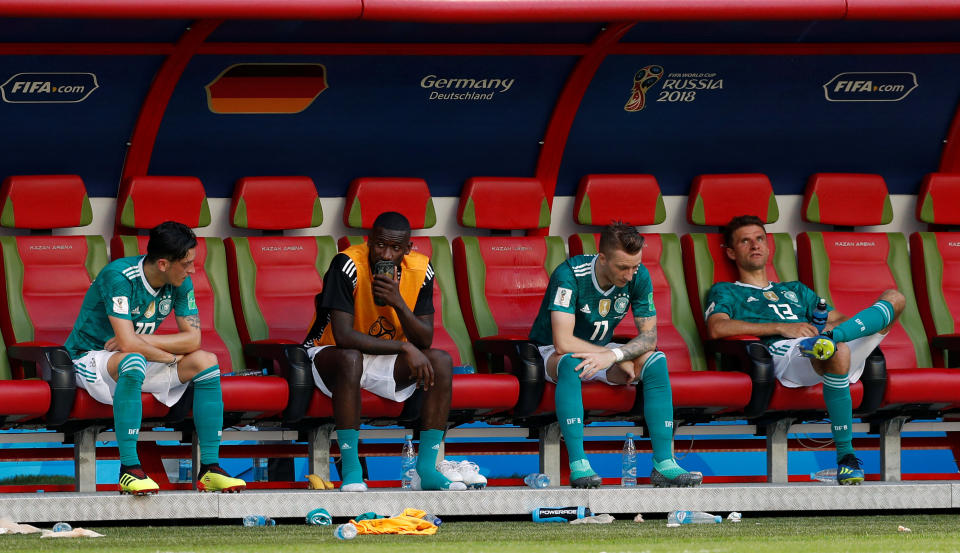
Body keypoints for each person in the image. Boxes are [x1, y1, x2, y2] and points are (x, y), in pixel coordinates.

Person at [705, 215, 905, 485]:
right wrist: (782, 328)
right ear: (731, 252)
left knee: (895, 299)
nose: (755, 245)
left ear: (768, 245)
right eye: (745, 241)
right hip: (783, 353)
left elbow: (839, 317)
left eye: (759, 239)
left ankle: (829, 341)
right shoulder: (726, 290)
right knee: (840, 351)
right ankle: (846, 458)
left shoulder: (795, 289)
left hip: (825, 343)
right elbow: (718, 328)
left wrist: (826, 332)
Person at [64, 221, 246, 495]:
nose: (192, 269)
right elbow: (125, 344)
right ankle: (130, 469)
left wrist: (148, 343)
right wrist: (166, 356)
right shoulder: (119, 276)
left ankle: (209, 468)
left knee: (206, 361)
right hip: (88, 359)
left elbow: (192, 340)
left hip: (135, 356)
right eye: (186, 263)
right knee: (133, 359)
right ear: (163, 264)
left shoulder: (180, 282)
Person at [529, 222, 702, 488]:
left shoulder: (639, 275)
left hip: (604, 349)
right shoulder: (569, 274)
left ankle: (664, 463)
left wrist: (615, 355)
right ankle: (579, 465)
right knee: (569, 363)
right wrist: (613, 355)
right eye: (623, 267)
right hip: (552, 351)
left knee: (656, 361)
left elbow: (649, 338)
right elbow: (562, 342)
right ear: (603, 258)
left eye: (635, 266)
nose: (631, 275)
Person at [303, 211, 466, 492]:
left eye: (395, 248)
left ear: (408, 248)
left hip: (383, 357)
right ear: (369, 241)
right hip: (329, 355)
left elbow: (425, 338)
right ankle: (352, 469)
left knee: (440, 360)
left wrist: (398, 302)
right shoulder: (347, 264)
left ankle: (426, 469)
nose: (386, 255)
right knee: (351, 358)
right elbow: (343, 336)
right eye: (380, 245)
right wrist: (404, 346)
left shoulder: (422, 269)